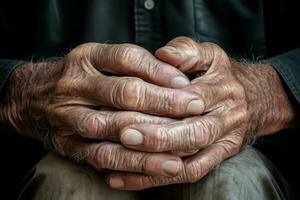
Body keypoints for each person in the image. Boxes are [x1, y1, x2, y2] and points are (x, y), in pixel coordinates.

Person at [0, 0, 299, 199]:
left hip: (265, 149)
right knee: (65, 185)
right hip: (42, 149)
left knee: (235, 184)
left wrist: (265, 93)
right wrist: (21, 93)